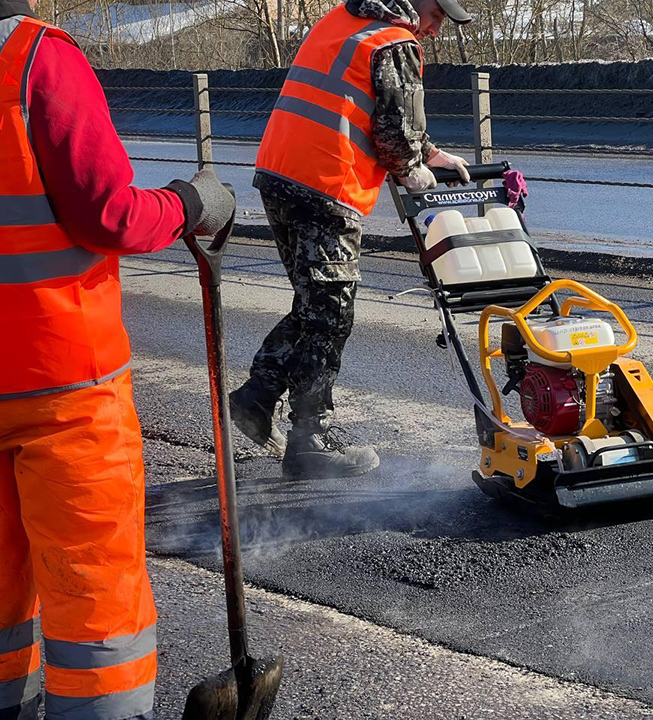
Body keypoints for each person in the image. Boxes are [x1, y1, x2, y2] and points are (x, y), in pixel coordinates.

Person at [0, 1, 235, 717]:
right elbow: (108, 214)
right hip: (61, 384)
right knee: (94, 589)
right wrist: (192, 201)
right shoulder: (37, 59)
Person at [230, 0, 473, 480]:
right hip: (325, 183)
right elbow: (393, 131)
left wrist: (432, 154)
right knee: (331, 312)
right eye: (438, 16)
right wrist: (412, 170)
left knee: (316, 304)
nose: (436, 28)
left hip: (280, 174)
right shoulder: (394, 41)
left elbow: (362, 103)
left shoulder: (343, 21)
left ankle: (258, 396)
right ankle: (309, 442)